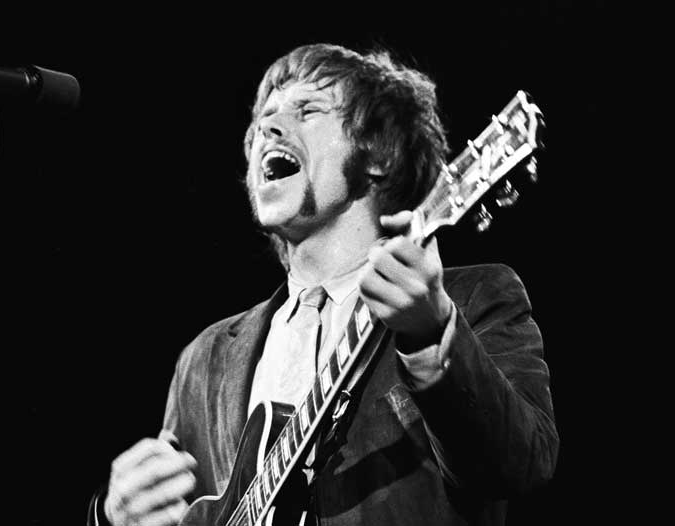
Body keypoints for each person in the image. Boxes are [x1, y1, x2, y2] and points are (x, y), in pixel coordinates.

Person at [88, 43, 559, 526]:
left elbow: (520, 465)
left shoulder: (474, 298)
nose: (268, 127)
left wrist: (431, 337)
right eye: (262, 120)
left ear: (377, 153)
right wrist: (112, 515)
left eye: (306, 110)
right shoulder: (204, 360)